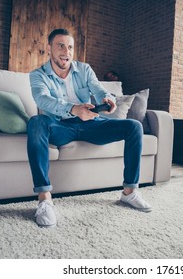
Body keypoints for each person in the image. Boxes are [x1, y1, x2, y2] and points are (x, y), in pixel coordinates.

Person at [27, 28, 151, 228]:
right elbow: (43, 100)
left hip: (91, 123)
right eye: (60, 46)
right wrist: (74, 109)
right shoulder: (37, 75)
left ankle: (129, 192)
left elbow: (101, 90)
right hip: (60, 126)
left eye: (69, 47)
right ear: (49, 48)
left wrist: (108, 100)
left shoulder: (84, 69)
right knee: (35, 122)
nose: (66, 51)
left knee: (134, 126)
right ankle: (44, 199)